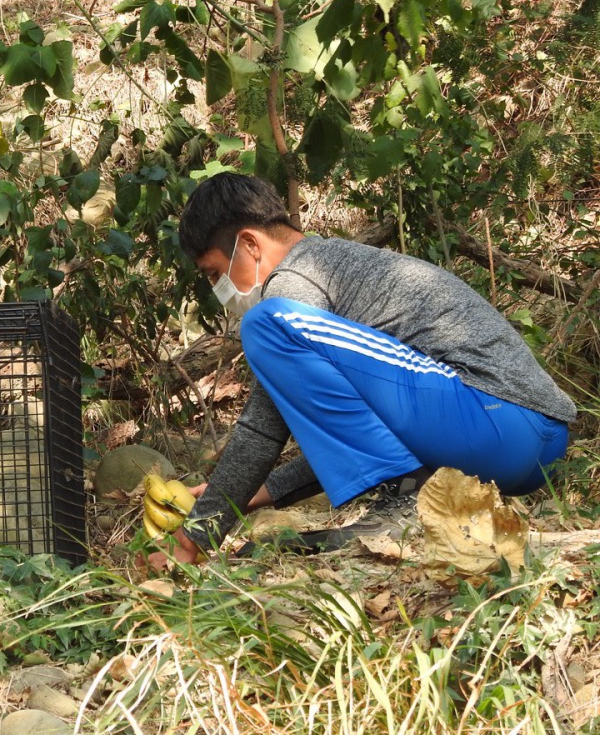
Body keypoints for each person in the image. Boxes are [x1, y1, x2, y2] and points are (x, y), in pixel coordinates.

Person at [153, 172, 575, 567]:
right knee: (274, 325)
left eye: (213, 274)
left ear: (249, 244)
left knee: (266, 323)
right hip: (531, 442)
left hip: (497, 421)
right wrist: (251, 496)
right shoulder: (334, 267)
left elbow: (263, 428)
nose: (218, 290)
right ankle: (411, 500)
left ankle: (409, 503)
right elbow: (365, 430)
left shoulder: (295, 281)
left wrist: (196, 536)